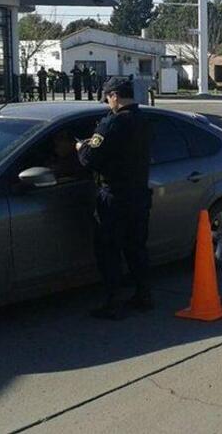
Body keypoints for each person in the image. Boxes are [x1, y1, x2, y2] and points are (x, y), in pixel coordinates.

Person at [77, 78, 153, 320]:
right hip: (139, 195)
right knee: (136, 248)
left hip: (114, 197)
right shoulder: (144, 120)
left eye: (108, 98)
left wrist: (81, 148)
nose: (108, 102)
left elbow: (90, 159)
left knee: (109, 251)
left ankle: (112, 302)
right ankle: (144, 295)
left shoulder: (112, 123)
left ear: (115, 96)